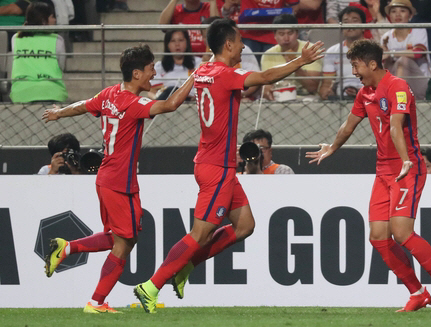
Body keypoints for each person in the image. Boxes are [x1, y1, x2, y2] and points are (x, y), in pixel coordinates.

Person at [133, 18, 323, 313]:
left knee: (245, 225)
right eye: (239, 41)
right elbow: (267, 77)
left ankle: (184, 268)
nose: (244, 45)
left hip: (212, 163)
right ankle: (151, 285)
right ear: (229, 44)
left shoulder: (204, 70)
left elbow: (218, 67)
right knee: (199, 234)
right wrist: (302, 59)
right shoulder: (225, 73)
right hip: (217, 168)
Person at [305, 39, 431, 312]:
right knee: (378, 237)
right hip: (383, 171)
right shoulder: (366, 92)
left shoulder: (397, 87)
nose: (353, 71)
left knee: (402, 233)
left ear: (372, 64)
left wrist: (407, 161)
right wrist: (332, 147)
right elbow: (348, 125)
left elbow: (397, 127)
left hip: (405, 169)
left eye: (356, 65)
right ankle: (417, 292)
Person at [41, 44, 195, 313]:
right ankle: (96, 302)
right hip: (117, 182)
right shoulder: (134, 104)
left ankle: (66, 249)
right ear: (136, 73)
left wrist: (59, 112)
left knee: (123, 238)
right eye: (149, 69)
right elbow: (171, 104)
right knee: (123, 244)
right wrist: (196, 76)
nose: (153, 73)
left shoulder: (109, 94)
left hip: (112, 179)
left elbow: (83, 106)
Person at [10, 1, 67, 103]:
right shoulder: (57, 40)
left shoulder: (16, 38)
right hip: (52, 92)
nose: (55, 20)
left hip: (21, 93)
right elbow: (61, 66)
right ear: (44, 21)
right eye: (52, 17)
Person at [261, 14, 322, 100]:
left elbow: (312, 87)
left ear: (297, 33)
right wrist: (268, 94)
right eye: (281, 34)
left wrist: (296, 64)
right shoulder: (268, 55)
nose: (286, 38)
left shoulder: (310, 50)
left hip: (306, 97)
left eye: (290, 33)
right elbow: (266, 86)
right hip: (278, 97)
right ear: (275, 35)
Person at [381, 0, 431, 100]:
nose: (398, 14)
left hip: (419, 82)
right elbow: (385, 66)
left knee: (404, 61)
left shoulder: (419, 30)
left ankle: (398, 101)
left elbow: (418, 53)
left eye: (403, 11)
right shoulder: (385, 37)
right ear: (389, 16)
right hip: (394, 82)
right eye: (394, 11)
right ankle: (397, 98)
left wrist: (391, 53)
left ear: (410, 15)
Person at [201, 16, 261, 100]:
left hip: (246, 98)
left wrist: (239, 96)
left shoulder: (242, 50)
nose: (242, 46)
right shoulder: (204, 64)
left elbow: (258, 80)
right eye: (205, 36)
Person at [319, 6, 365, 100]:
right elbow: (327, 83)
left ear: (364, 26)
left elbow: (379, 81)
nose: (350, 25)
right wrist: (327, 92)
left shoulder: (374, 49)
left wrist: (360, 92)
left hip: (370, 98)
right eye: (346, 22)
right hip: (340, 98)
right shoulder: (332, 52)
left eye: (354, 20)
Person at [149, 29, 202, 100]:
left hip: (190, 103)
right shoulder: (159, 67)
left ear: (187, 43)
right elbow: (151, 92)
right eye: (173, 41)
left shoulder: (198, 64)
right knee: (171, 90)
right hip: (166, 103)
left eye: (181, 40)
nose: (177, 44)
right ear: (167, 45)